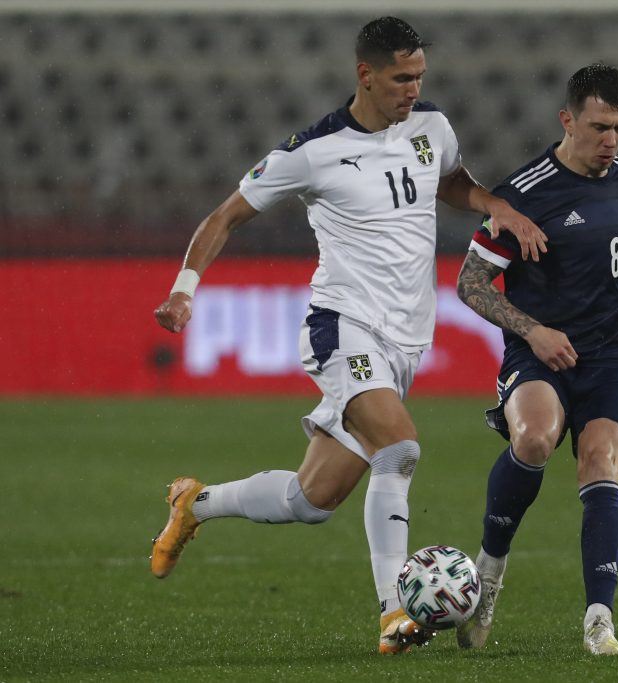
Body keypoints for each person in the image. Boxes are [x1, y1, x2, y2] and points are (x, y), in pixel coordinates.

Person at [149, 16, 547, 655]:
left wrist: (490, 203)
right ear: (365, 74)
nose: (413, 89)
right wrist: (183, 289)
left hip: (405, 341)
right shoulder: (312, 151)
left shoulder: (432, 128)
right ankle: (396, 613)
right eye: (400, 79)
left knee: (312, 499)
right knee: (401, 448)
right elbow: (225, 215)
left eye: (419, 76)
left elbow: (447, 181)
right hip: (343, 325)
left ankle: (195, 502)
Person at [453, 64, 618, 656]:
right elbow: (470, 285)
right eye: (600, 126)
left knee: (600, 459)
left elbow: (607, 271)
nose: (611, 141)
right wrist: (535, 331)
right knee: (535, 439)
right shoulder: (521, 195)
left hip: (615, 355)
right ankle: (489, 576)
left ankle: (599, 619)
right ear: (567, 120)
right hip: (540, 351)